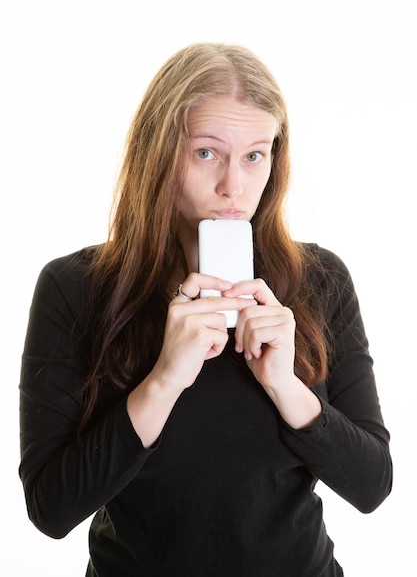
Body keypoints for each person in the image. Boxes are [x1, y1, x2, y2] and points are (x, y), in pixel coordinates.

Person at [19, 42, 392, 576]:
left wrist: (287, 386)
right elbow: (51, 510)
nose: (233, 187)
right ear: (159, 154)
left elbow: (372, 484)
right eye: (206, 153)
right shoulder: (74, 288)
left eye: (254, 155)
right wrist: (164, 380)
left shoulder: (319, 279)